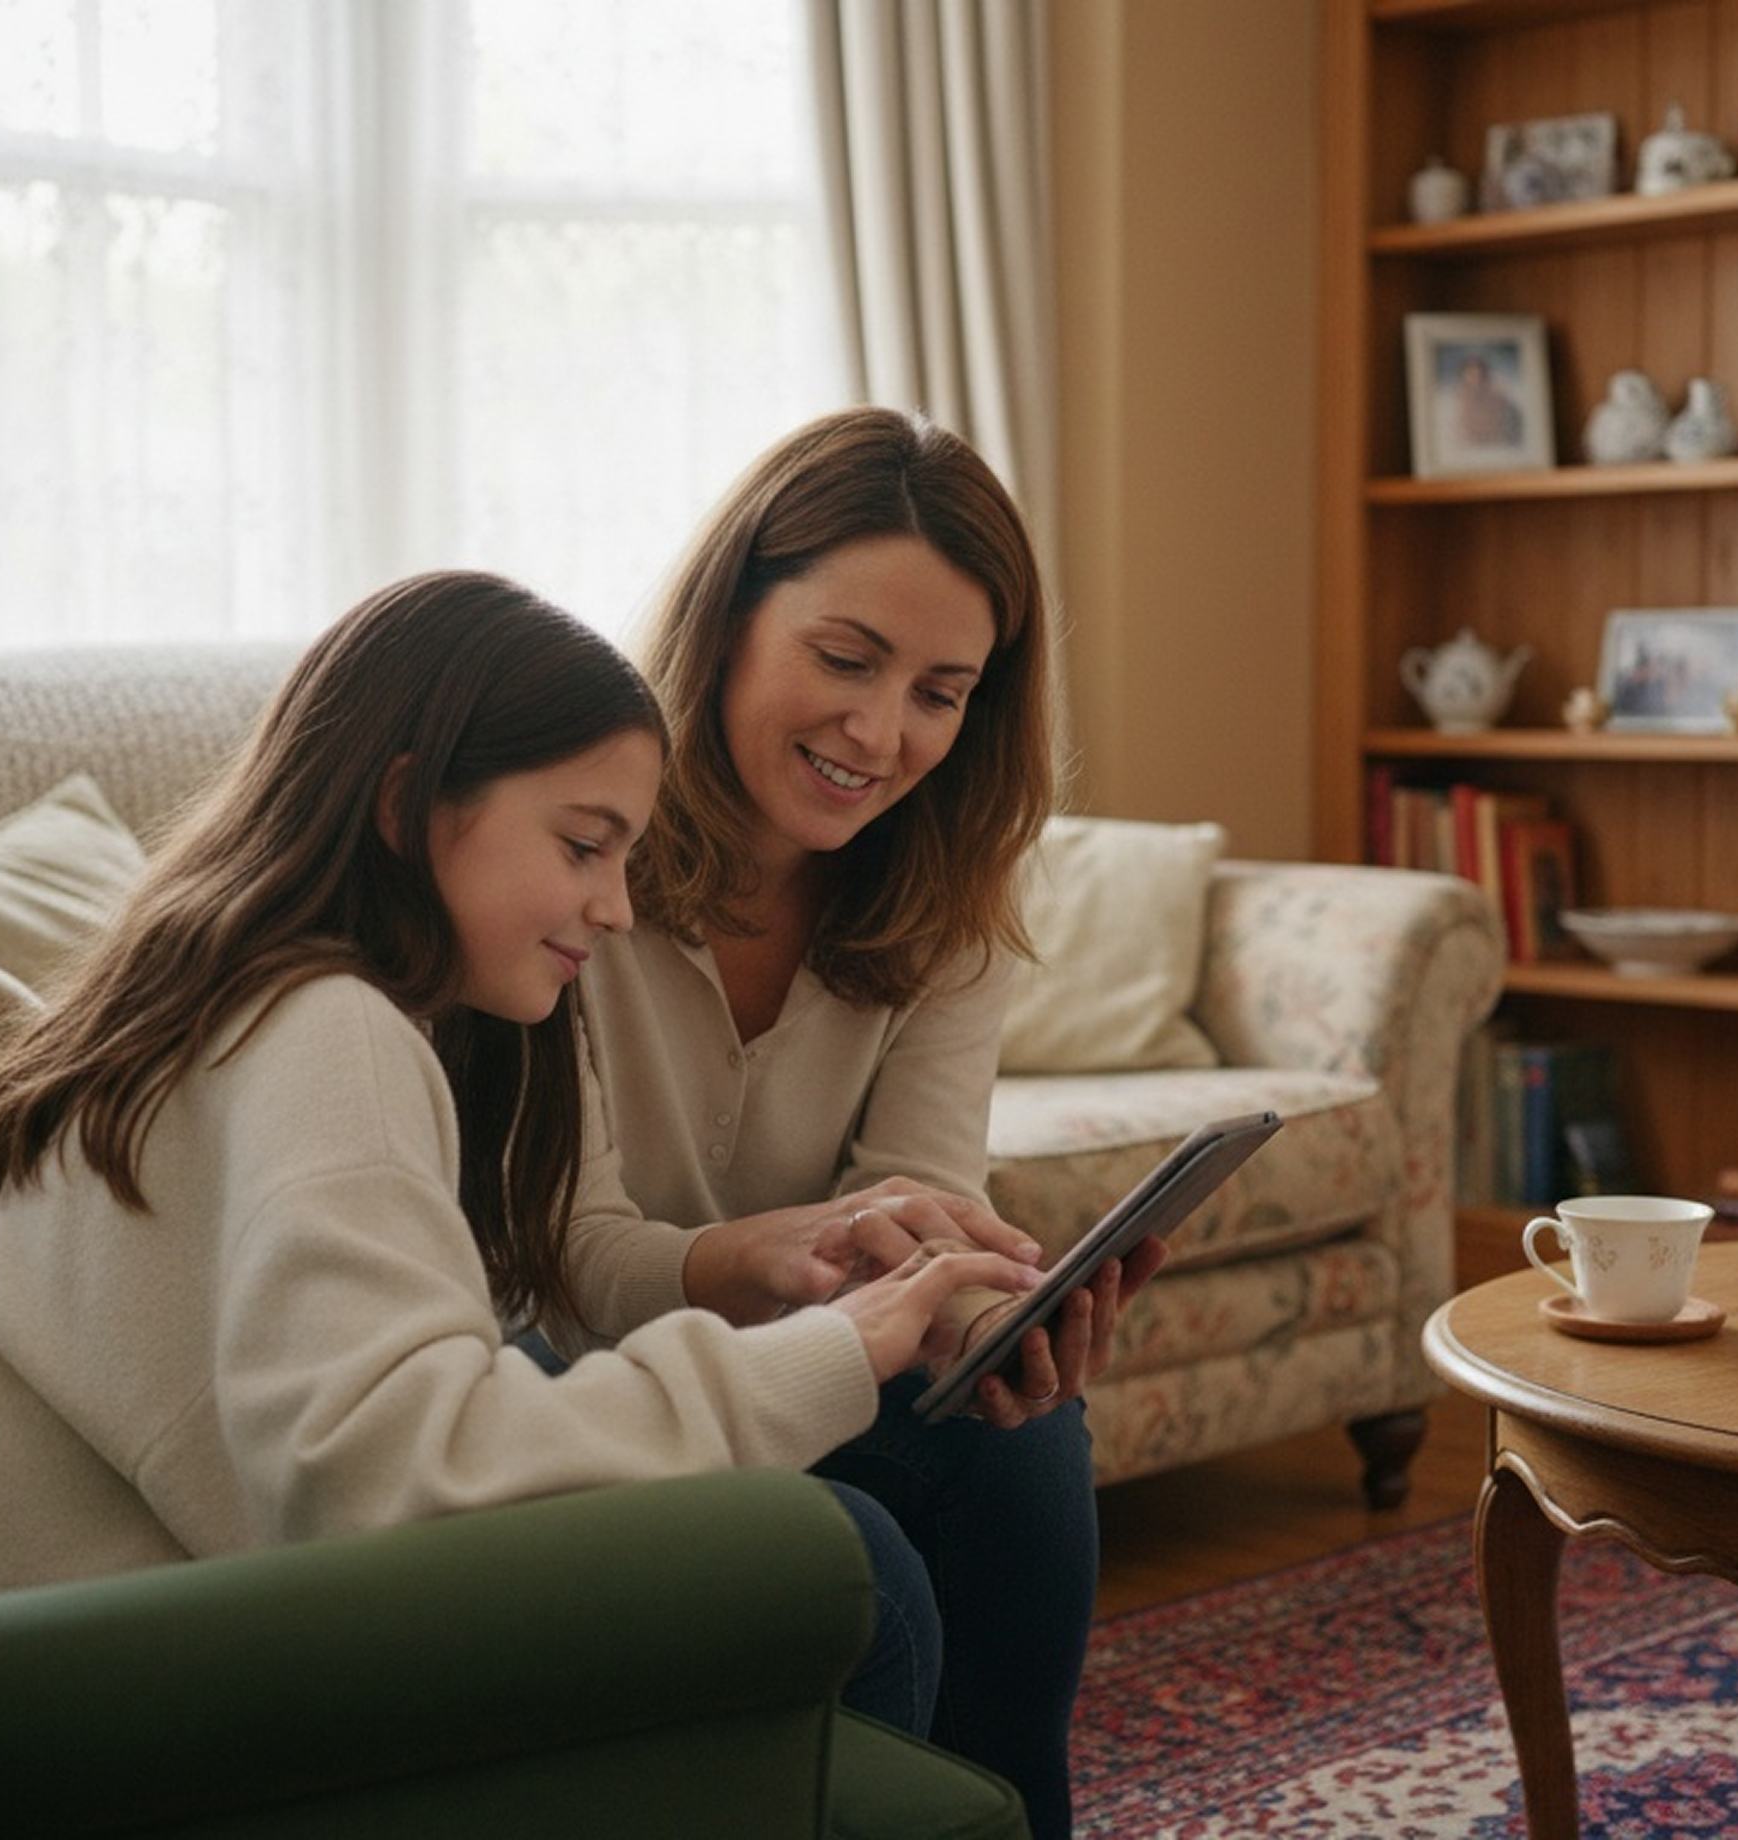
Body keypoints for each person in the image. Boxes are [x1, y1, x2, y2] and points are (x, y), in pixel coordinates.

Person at [0, 572, 1042, 1627]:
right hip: (89, 1688)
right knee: (854, 1574)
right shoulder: (327, 1031)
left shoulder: (242, 994)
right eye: (584, 846)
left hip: (17, 1641)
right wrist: (829, 1349)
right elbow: (400, 1486)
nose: (618, 907)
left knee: (932, 1503)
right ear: (407, 806)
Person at [550, 408, 1159, 1840]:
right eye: (845, 660)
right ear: (728, 616)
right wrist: (778, 1257)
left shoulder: (947, 900)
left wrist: (979, 1307)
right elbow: (554, 1256)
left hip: (791, 1355)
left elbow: (916, 1198)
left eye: (942, 693)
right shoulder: (575, 850)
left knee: (1023, 1447)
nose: (881, 735)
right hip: (559, 1364)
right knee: (859, 1554)